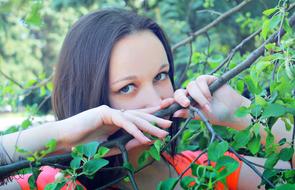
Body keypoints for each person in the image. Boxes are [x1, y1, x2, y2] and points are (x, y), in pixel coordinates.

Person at [1, 8, 293, 190]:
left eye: (161, 76)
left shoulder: (202, 170)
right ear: (89, 100)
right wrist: (64, 134)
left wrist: (238, 114)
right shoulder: (52, 184)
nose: (157, 99)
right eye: (127, 88)